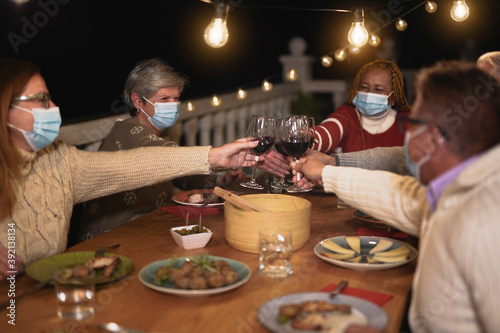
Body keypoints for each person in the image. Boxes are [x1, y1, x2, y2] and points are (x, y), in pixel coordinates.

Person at [0, 59, 261, 280]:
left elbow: (132, 166)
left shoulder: (57, 160)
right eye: (41, 99)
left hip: (50, 286)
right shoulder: (128, 131)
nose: (54, 108)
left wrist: (215, 157)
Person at [292, 60, 500, 332]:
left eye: (412, 122)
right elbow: (399, 196)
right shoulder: (456, 190)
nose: (406, 132)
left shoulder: (484, 223)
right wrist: (326, 171)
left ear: (434, 138)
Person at [76, 58, 244, 242]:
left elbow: (181, 173)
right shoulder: (128, 130)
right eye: (164, 99)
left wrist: (222, 180)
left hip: (145, 226)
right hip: (109, 238)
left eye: (176, 99)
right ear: (138, 101)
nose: (172, 105)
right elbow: (167, 155)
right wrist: (219, 156)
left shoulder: (157, 134)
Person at [313, 59, 411, 154]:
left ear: (394, 96)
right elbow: (326, 132)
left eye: (378, 89)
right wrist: (306, 138)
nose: (369, 93)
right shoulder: (347, 114)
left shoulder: (407, 122)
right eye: (364, 87)